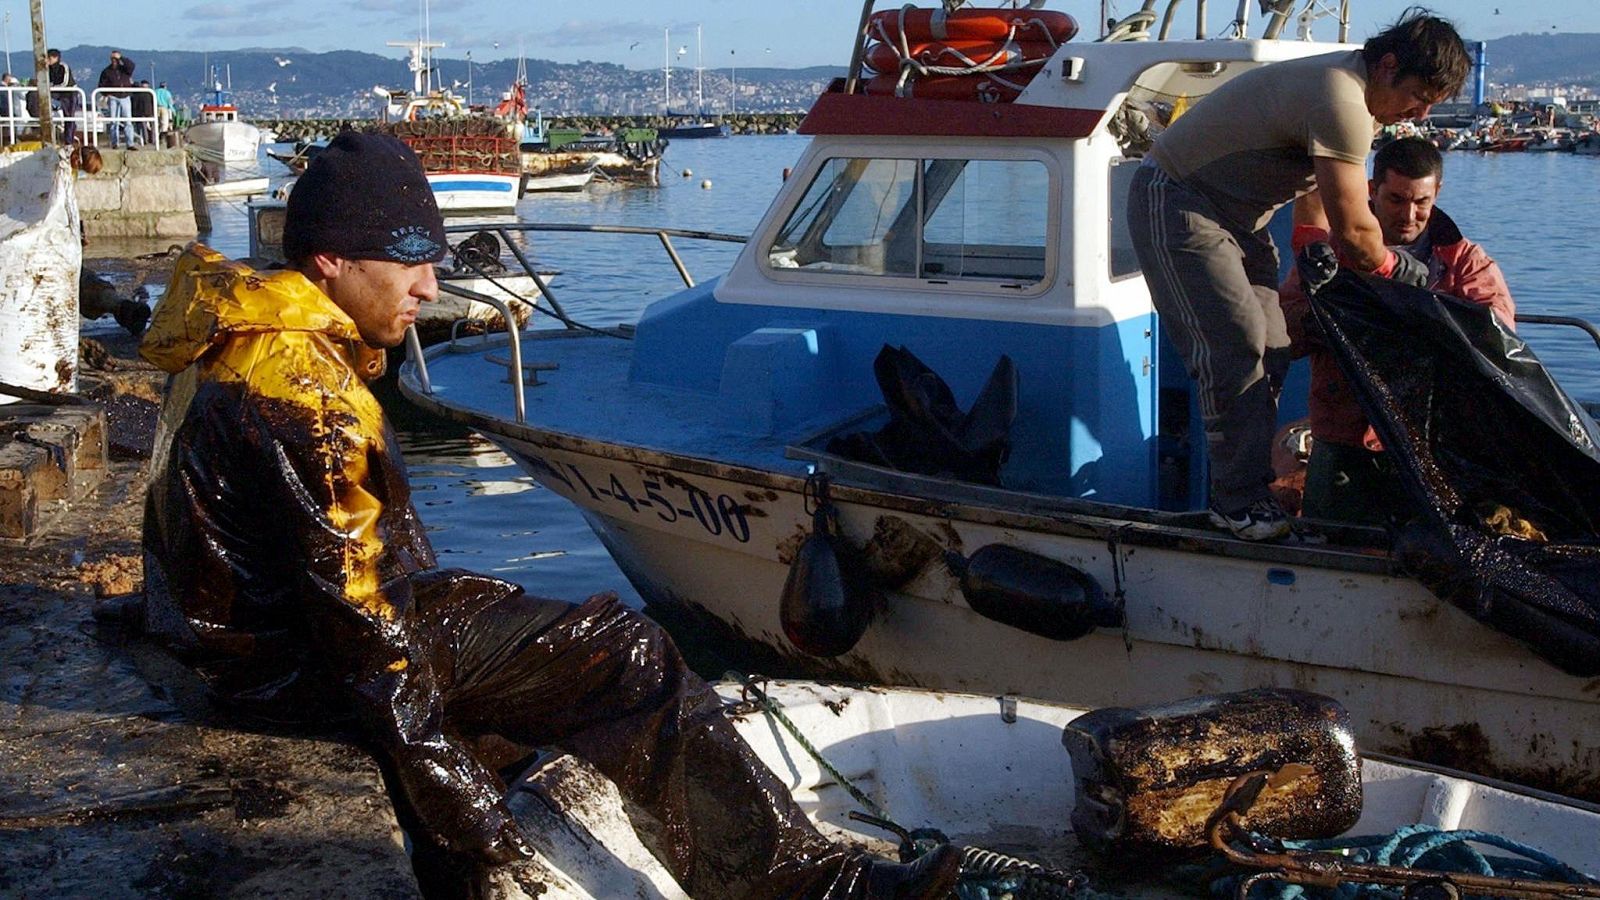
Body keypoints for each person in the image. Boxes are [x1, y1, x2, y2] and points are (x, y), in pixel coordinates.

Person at [131, 132, 962, 900]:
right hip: (292, 670)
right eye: (409, 261)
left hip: (257, 651)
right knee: (626, 653)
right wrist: (441, 778)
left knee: (521, 664)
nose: (430, 284)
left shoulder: (248, 342)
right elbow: (359, 626)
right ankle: (816, 889)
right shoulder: (307, 399)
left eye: (435, 258)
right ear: (331, 261)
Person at [1126, 9, 1470, 540]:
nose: (1420, 114)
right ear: (1388, 65)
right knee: (1235, 342)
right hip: (1176, 200)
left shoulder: (1354, 97)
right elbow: (1358, 235)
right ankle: (1235, 502)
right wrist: (1398, 268)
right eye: (1419, 97)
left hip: (1240, 217)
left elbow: (1316, 185)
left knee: (1276, 342)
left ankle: (1252, 490)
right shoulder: (1341, 96)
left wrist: (1309, 246)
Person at [1278, 137, 1515, 526]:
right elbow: (1286, 334)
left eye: (1421, 202)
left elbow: (1496, 340)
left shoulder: (1467, 262)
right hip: (1345, 441)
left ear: (1437, 193)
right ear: (1372, 191)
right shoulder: (1331, 254)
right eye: (1396, 200)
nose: (1409, 214)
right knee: (1330, 543)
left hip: (1433, 448)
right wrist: (1319, 301)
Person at [98, 50, 136, 147]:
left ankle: (130, 143)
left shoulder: (125, 70)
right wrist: (108, 93)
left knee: (128, 121)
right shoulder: (106, 71)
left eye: (116, 58)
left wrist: (121, 57)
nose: (114, 60)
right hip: (113, 97)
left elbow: (132, 65)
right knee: (114, 122)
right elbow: (101, 85)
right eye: (113, 58)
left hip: (125, 97)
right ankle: (115, 143)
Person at [46, 49, 79, 145]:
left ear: (56, 58)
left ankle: (69, 141)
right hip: (58, 93)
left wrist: (51, 88)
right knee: (66, 117)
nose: (48, 60)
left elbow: (65, 83)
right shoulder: (49, 69)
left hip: (70, 93)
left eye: (49, 58)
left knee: (69, 117)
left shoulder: (63, 67)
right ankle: (65, 138)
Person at [131, 79, 155, 145]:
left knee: (144, 127)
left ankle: (146, 140)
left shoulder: (139, 93)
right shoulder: (150, 92)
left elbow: (136, 104)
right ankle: (153, 140)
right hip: (149, 111)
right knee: (152, 126)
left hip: (143, 112)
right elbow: (153, 102)